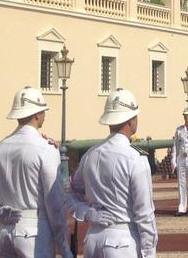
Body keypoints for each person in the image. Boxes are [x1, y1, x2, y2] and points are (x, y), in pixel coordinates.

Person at [0, 86, 71, 258]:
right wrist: (63, 244)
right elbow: (54, 200)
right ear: (37, 114)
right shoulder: (45, 148)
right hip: (35, 231)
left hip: (6, 230)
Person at [67, 88, 157, 257]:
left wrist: (88, 213)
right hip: (122, 240)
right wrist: (149, 253)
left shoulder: (90, 155)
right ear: (130, 120)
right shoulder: (135, 158)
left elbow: (71, 192)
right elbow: (145, 214)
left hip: (93, 238)